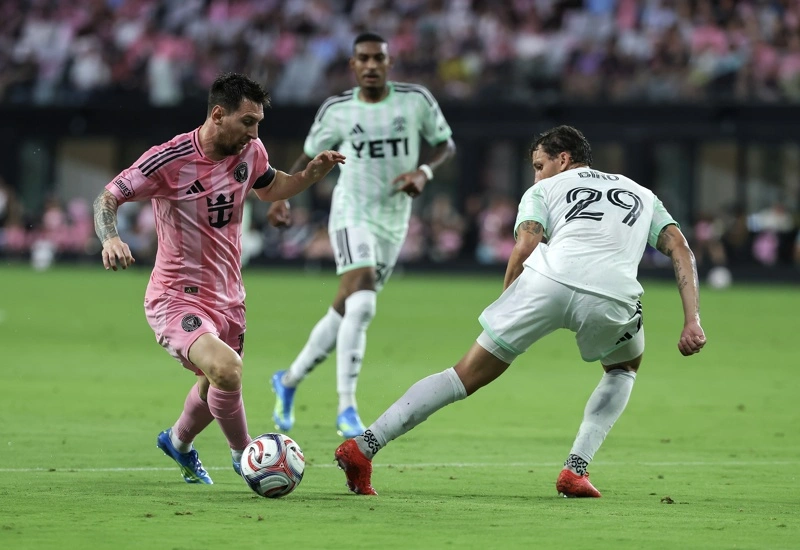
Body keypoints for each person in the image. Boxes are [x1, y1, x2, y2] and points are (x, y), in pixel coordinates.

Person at [334, 125, 707, 497]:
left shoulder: (543, 191)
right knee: (623, 368)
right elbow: (680, 248)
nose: (536, 175)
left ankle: (363, 448)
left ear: (564, 159)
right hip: (612, 295)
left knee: (463, 375)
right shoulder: (642, 194)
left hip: (546, 282)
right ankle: (575, 469)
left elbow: (527, 245)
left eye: (539, 165)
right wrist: (692, 321)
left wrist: (507, 305)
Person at [92, 73, 345, 484]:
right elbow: (107, 196)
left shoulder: (251, 152)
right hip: (175, 296)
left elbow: (271, 187)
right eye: (247, 122)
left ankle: (177, 441)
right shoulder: (168, 160)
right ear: (217, 115)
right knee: (227, 370)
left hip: (229, 298)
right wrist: (111, 237)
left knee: (214, 386)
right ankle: (247, 456)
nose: (254, 133)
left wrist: (309, 176)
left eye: (258, 123)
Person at [267, 32, 456, 438]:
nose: (371, 65)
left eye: (378, 58)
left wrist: (424, 172)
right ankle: (347, 407)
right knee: (365, 303)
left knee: (346, 308)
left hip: (393, 219)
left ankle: (289, 379)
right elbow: (309, 156)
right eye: (363, 59)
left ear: (389, 63)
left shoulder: (416, 101)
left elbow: (445, 144)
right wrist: (282, 195)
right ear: (353, 65)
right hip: (351, 211)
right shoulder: (337, 109)